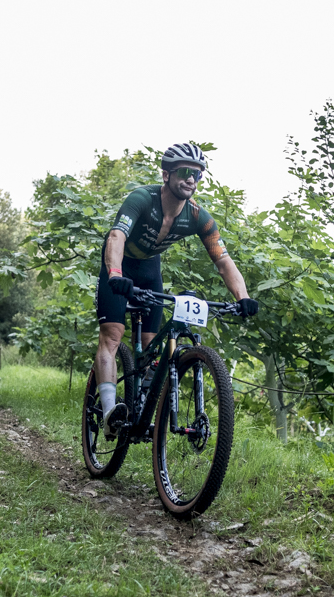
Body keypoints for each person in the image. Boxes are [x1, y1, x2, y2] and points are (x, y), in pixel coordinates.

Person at [94, 142, 259, 434]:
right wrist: (115, 274)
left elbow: (223, 260)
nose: (191, 179)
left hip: (149, 271)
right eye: (184, 172)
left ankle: (142, 406)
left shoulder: (197, 217)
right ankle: (109, 413)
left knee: (152, 345)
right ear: (166, 174)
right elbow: (117, 236)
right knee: (113, 335)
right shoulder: (142, 199)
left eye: (197, 174)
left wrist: (243, 297)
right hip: (119, 264)